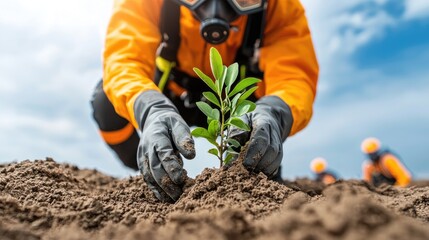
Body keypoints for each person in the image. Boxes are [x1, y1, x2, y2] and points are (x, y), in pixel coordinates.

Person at [91, 0, 319, 202]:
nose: (216, 7)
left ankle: (256, 173)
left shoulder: (282, 5)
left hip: (236, 103)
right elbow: (124, 61)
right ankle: (152, 168)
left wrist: (274, 112)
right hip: (171, 93)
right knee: (105, 102)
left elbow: (294, 76)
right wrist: (150, 108)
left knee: (260, 154)